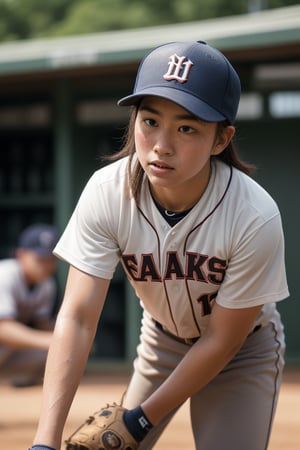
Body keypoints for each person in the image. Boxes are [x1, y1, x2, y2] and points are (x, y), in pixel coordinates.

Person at [30, 41, 289, 450]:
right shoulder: (107, 192)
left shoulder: (253, 214)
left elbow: (224, 340)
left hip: (242, 353)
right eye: (150, 120)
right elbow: (78, 318)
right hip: (162, 342)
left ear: (222, 139)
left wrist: (139, 420)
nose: (161, 145)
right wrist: (43, 442)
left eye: (187, 128)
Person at [0, 223, 58, 387]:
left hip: (6, 350)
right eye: (40, 259)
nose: (46, 266)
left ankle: (18, 381)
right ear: (21, 255)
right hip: (4, 342)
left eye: (51, 260)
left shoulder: (46, 284)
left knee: (51, 351)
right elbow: (3, 330)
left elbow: (43, 326)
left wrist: (68, 339)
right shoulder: (4, 275)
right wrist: (53, 340)